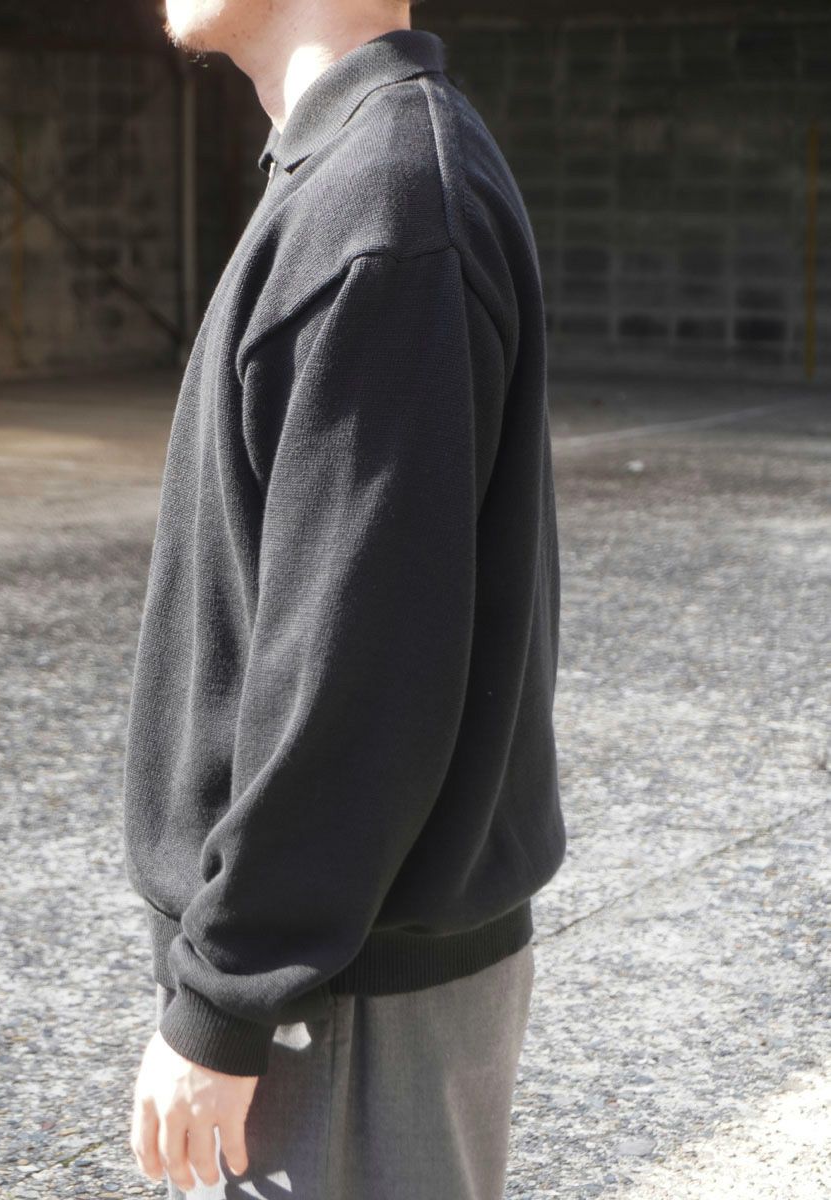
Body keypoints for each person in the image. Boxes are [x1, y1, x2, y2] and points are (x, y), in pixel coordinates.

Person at [124, 1, 567, 1196]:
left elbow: (361, 667)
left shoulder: (386, 203)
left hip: (342, 1003)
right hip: (334, 974)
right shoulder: (353, 172)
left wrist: (229, 996)